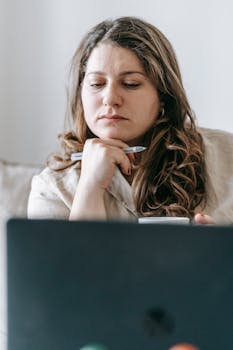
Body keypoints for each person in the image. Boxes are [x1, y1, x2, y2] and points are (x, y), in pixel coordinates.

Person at [28, 16, 233, 224]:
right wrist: (90, 186)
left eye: (130, 83)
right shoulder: (52, 189)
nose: (110, 99)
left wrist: (221, 251)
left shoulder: (226, 157)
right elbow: (66, 258)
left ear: (163, 94)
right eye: (97, 84)